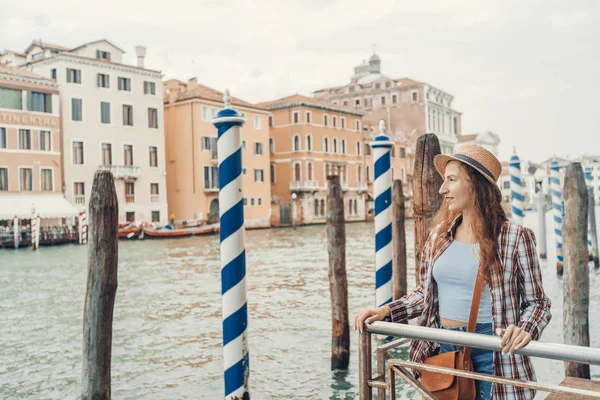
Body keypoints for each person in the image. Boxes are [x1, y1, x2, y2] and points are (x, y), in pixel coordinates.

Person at [354, 144, 551, 400]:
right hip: (442, 347)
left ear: (476, 185)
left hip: (493, 350)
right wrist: (386, 311)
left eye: (451, 180)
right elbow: (424, 295)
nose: (442, 189)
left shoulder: (515, 237)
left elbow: (538, 303)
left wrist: (526, 328)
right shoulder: (439, 237)